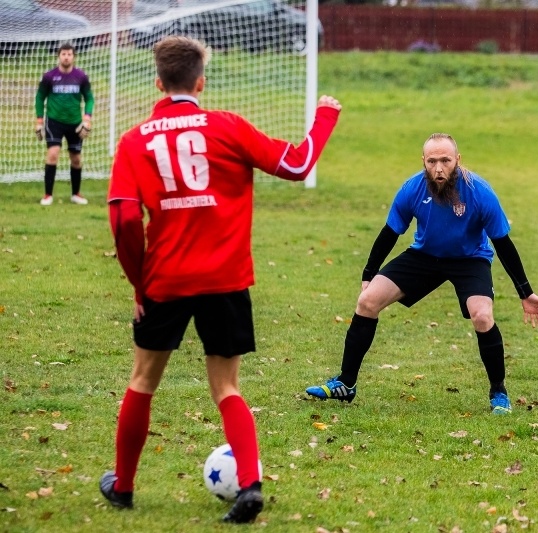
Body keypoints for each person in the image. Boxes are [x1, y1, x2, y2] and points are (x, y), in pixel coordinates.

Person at [100, 36, 341, 523]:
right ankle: (250, 485)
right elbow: (296, 165)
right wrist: (325, 117)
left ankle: (123, 487)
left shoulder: (134, 140)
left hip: (164, 279)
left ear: (158, 81)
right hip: (226, 279)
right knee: (227, 388)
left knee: (143, 382)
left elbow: (125, 220)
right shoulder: (226, 127)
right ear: (201, 81)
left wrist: (138, 282)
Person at [306, 133, 538, 414]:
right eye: (432, 161)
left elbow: (503, 245)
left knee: (482, 316)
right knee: (367, 302)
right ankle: (345, 384)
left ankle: (499, 392)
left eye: (445, 160)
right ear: (423, 161)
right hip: (424, 256)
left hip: (470, 259)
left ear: (457, 160)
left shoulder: (480, 192)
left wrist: (525, 292)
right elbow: (389, 233)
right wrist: (368, 273)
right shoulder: (412, 188)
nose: (438, 168)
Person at [34, 42, 94, 206]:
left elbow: (89, 98)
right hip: (54, 122)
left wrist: (87, 118)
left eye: (69, 54)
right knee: (53, 154)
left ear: (74, 57)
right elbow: (40, 98)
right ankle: (48, 195)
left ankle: (76, 194)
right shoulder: (49, 76)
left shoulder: (81, 77)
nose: (66, 57)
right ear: (59, 56)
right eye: (63, 54)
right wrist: (39, 121)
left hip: (75, 123)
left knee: (76, 158)